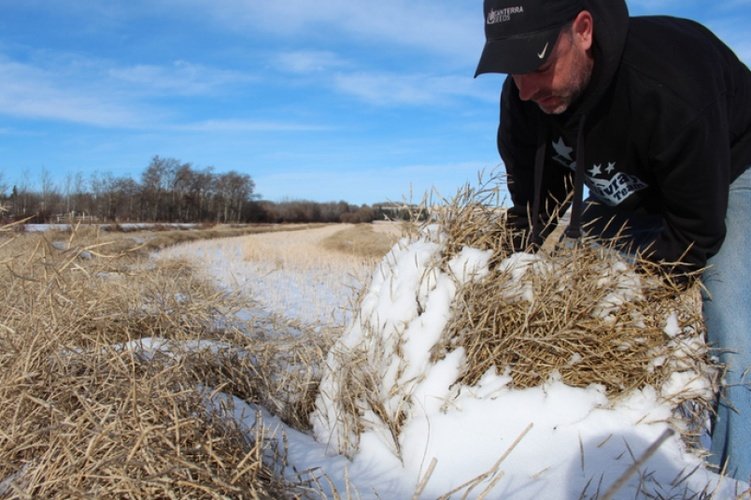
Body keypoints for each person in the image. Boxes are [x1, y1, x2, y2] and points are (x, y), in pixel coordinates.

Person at [474, 0, 751, 482]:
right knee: (569, 289)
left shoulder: (668, 87)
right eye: (511, 68)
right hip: (638, 181)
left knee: (733, 316)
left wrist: (633, 301)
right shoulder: (525, 95)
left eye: (537, 62)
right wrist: (494, 275)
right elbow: (533, 210)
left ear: (583, 30)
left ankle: (738, 477)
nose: (525, 87)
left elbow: (695, 234)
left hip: (729, 166)